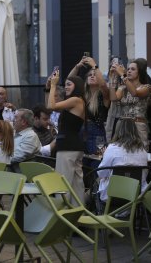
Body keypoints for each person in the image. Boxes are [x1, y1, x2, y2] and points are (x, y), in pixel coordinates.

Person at [48, 73, 86, 204]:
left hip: (68, 147)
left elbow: (52, 106)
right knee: (76, 185)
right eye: (65, 85)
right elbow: (52, 104)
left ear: (77, 86)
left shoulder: (76, 100)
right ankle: (78, 216)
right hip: (73, 146)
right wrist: (49, 88)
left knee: (63, 185)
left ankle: (62, 216)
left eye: (69, 84)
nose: (66, 87)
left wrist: (53, 85)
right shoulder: (76, 101)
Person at [97, 118, 147, 201]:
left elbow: (102, 173)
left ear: (117, 131)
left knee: (97, 180)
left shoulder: (112, 149)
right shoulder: (142, 151)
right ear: (135, 131)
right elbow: (144, 175)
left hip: (113, 194)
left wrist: (105, 155)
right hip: (136, 194)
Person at [109, 58, 151, 148]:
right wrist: (112, 78)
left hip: (138, 125)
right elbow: (113, 98)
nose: (129, 71)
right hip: (123, 125)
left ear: (139, 72)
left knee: (140, 150)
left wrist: (122, 74)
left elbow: (135, 93)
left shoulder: (147, 87)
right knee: (120, 152)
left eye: (133, 69)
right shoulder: (122, 88)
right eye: (128, 69)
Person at [68, 57, 110, 155]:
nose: (92, 76)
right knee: (81, 164)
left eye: (95, 75)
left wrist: (94, 66)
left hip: (97, 134)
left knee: (96, 162)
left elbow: (103, 85)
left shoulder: (103, 95)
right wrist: (77, 67)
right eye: (90, 75)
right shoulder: (82, 94)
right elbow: (70, 81)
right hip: (80, 131)